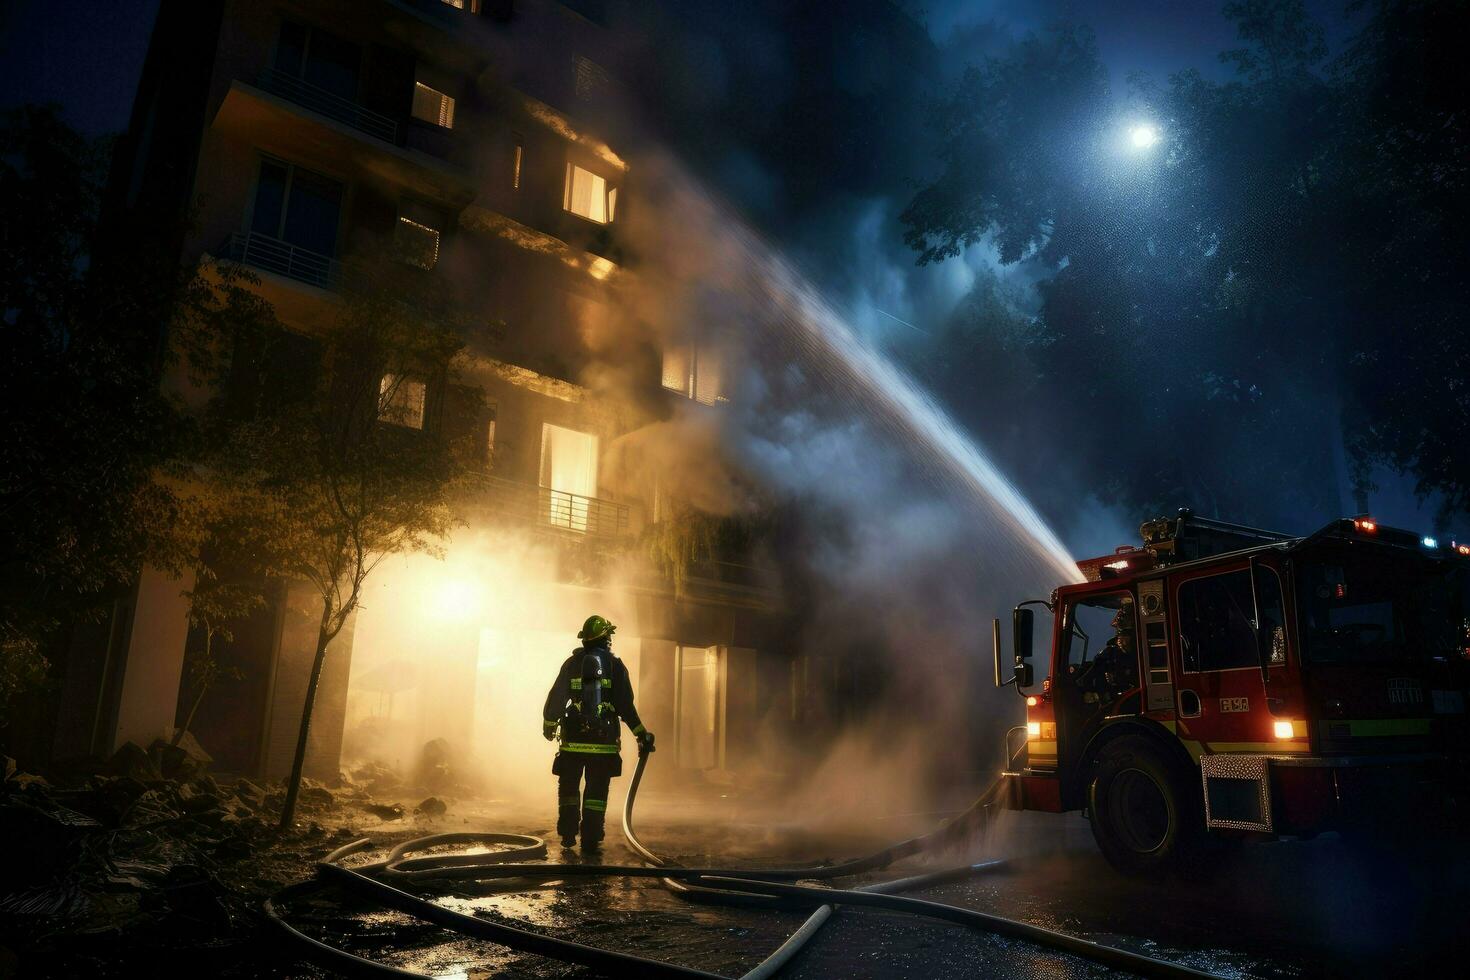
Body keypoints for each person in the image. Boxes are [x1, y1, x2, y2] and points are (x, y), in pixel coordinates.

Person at [542, 614, 654, 851]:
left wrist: (549, 724)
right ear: (606, 638)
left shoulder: (571, 664)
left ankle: (568, 834)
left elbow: (557, 697)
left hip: (572, 743)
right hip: (604, 744)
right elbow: (626, 707)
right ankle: (591, 837)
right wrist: (641, 733)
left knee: (569, 788)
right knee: (596, 792)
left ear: (585, 640)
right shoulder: (615, 666)